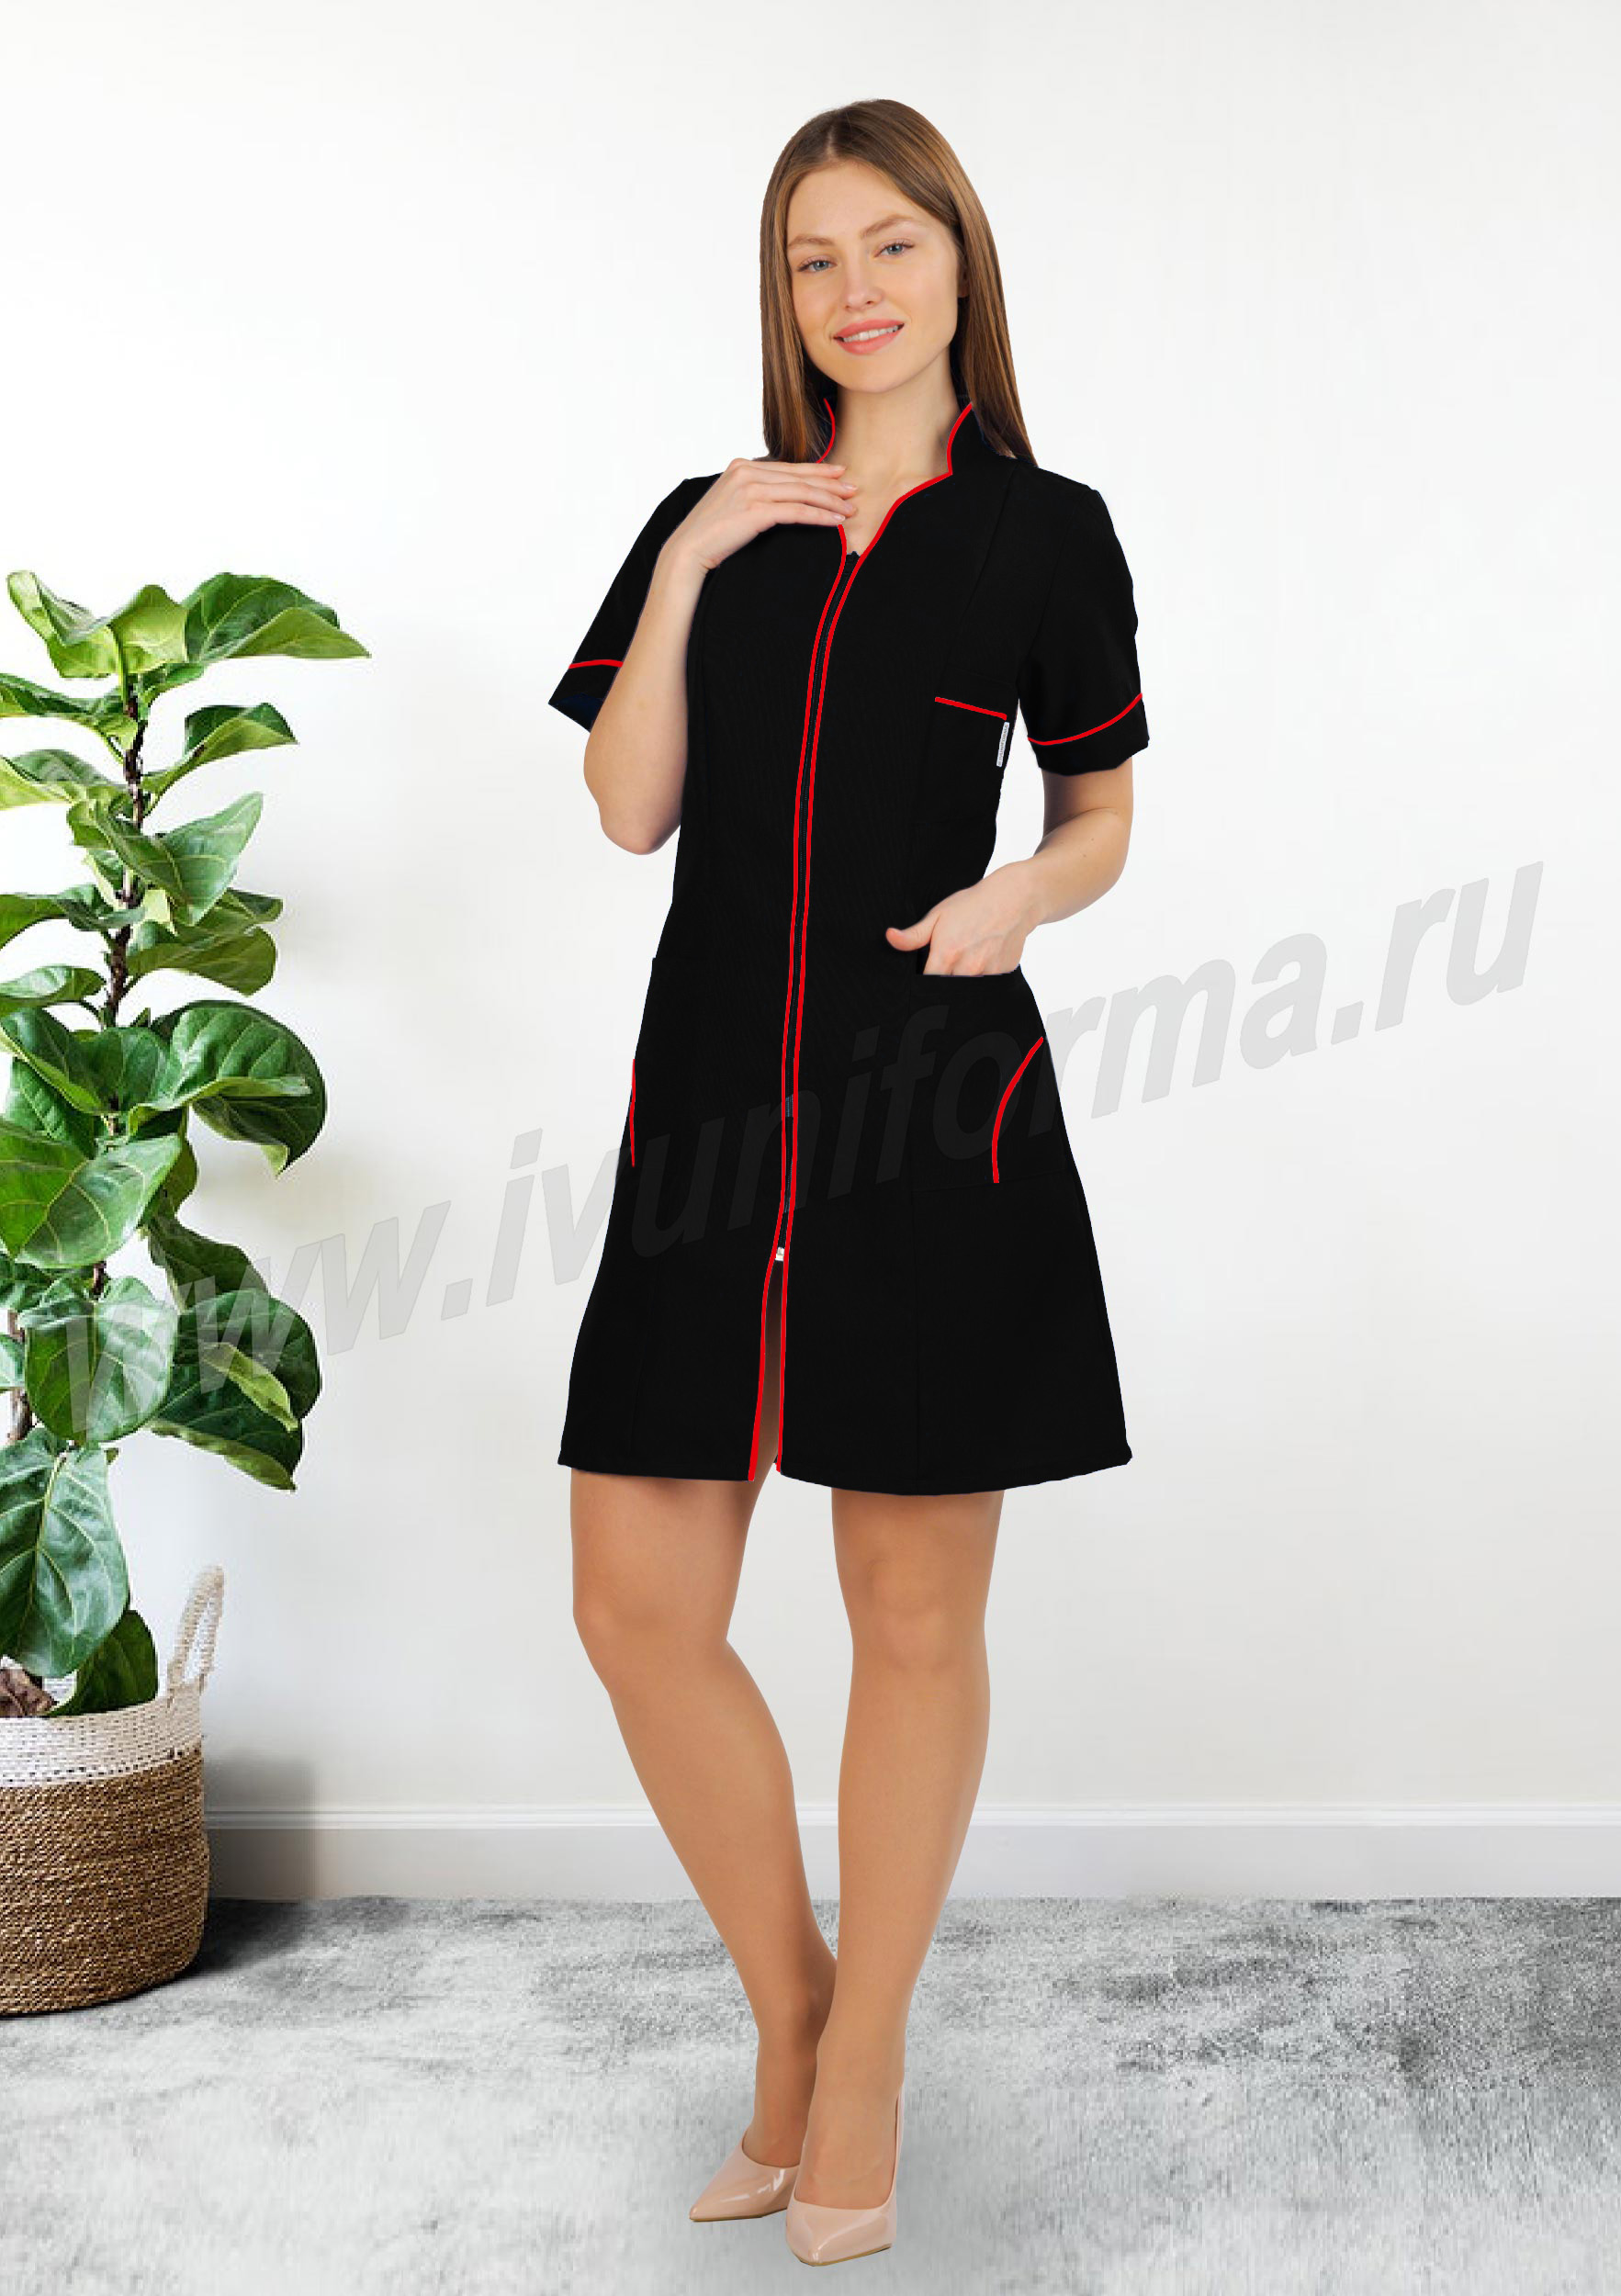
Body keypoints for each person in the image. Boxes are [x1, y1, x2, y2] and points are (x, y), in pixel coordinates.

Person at [548, 96, 1149, 2268]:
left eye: (891, 242)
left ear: (960, 260)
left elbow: (1101, 814)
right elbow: (629, 809)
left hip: (930, 1117)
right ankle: (793, 2012)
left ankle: (867, 2054)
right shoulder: (710, 519)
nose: (855, 288)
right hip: (709, 1125)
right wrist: (692, 561)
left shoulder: (1046, 534)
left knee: (909, 1616)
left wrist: (1022, 898)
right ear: (781, 292)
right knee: (635, 1607)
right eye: (814, 256)